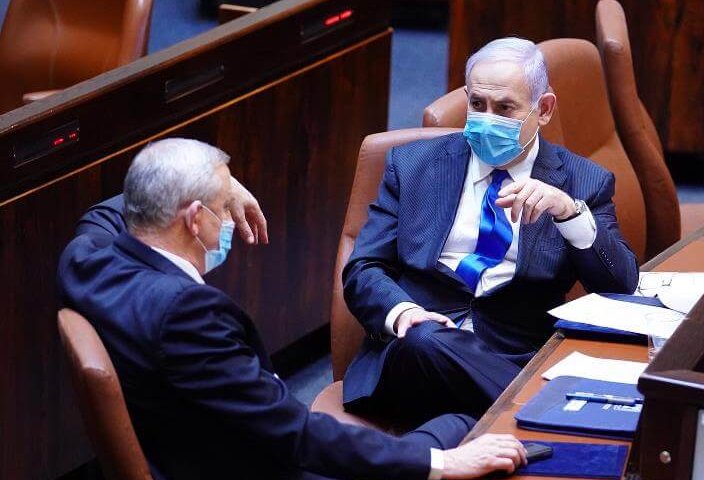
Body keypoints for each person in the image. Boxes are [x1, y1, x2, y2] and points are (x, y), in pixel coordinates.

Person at [57, 138, 528, 480]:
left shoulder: (86, 260)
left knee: (461, 424)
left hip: (192, 445)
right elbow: (293, 434)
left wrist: (215, 184)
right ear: (194, 217)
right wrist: (440, 463)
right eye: (223, 206)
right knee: (466, 438)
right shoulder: (188, 314)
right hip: (264, 467)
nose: (229, 217)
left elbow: (104, 212)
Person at [342, 38, 639, 423]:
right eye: (478, 104)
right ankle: (538, 410)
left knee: (455, 428)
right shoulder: (413, 165)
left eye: (504, 108)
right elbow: (364, 267)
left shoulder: (582, 181)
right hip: (413, 354)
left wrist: (569, 213)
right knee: (424, 340)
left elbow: (621, 285)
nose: (487, 118)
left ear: (544, 109)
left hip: (512, 355)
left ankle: (463, 431)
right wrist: (403, 313)